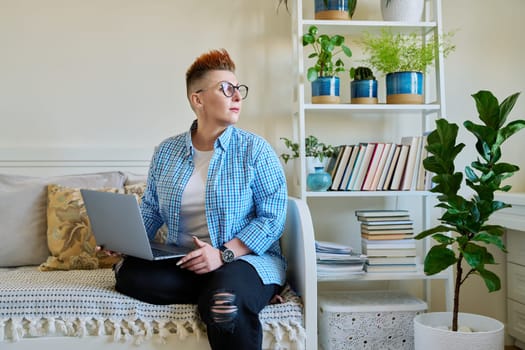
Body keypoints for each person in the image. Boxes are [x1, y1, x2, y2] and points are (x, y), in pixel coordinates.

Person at [112, 48, 288, 350]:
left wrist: (221, 256)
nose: (237, 97)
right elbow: (152, 210)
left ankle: (233, 290)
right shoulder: (166, 152)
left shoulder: (255, 150)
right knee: (126, 275)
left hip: (244, 259)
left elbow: (273, 218)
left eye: (238, 89)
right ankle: (229, 290)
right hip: (185, 261)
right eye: (226, 88)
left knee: (224, 305)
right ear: (198, 99)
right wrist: (123, 241)